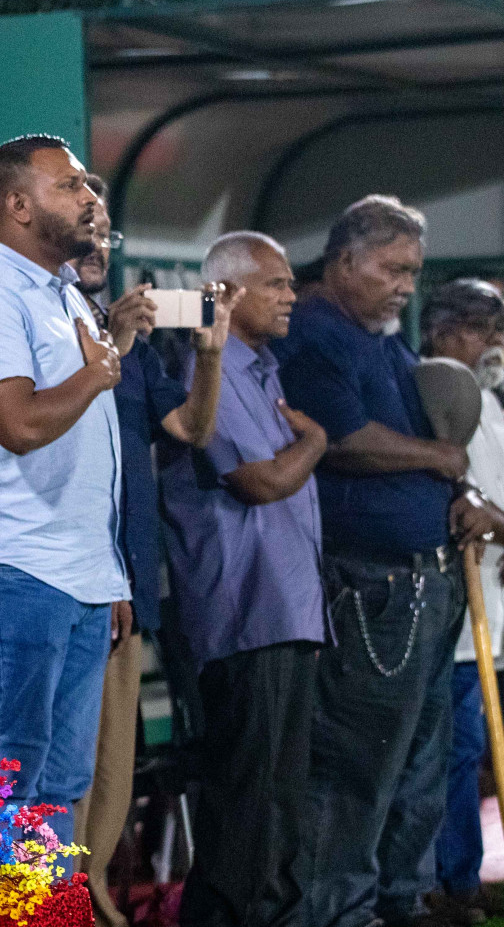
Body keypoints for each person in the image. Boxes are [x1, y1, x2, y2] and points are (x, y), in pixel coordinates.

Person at [277, 195, 504, 927]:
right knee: (357, 768)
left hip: (425, 578)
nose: (406, 284)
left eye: (413, 270)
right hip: (370, 582)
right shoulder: (317, 333)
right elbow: (340, 439)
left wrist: (460, 488)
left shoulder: (382, 336)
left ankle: (404, 900)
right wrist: (440, 456)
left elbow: (431, 429)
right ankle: (341, 911)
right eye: (394, 268)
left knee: (420, 765)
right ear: (346, 259)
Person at [0, 133, 126, 851]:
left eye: (89, 186)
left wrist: (110, 575)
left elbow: (83, 454)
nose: (91, 199)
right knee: (6, 786)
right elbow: (16, 423)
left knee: (57, 788)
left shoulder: (61, 294)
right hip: (12, 569)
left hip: (74, 575)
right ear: (17, 205)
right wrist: (95, 375)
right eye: (71, 186)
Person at [69, 176, 238, 927]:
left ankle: (93, 898)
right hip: (69, 580)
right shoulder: (54, 325)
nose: (99, 247)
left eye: (107, 236)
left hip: (128, 582)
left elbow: (191, 431)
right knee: (63, 770)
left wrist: (210, 352)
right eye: (86, 232)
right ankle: (63, 904)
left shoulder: (131, 347)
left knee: (112, 770)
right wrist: (112, 340)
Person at [160, 232, 328, 927]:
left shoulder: (263, 368)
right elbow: (260, 481)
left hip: (284, 608)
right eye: (277, 284)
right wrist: (315, 442)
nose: (292, 295)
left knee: (278, 801)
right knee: (248, 804)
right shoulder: (215, 367)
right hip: (245, 615)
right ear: (226, 293)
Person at [420, 279, 504, 924]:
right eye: (481, 327)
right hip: (454, 613)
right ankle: (450, 883)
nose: (494, 340)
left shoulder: (493, 403)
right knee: (457, 751)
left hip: (494, 611)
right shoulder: (438, 390)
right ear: (443, 329)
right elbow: (466, 502)